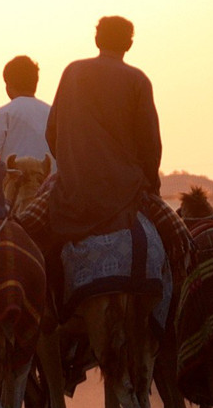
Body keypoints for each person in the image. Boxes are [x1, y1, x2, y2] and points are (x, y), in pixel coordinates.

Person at [44, 16, 162, 241]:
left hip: (71, 194)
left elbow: (52, 133)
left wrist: (72, 168)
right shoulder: (138, 80)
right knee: (181, 241)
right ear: (129, 44)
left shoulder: (73, 72)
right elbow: (150, 146)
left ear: (97, 40)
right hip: (126, 192)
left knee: (24, 228)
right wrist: (152, 187)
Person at [0, 55, 55, 166]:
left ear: (8, 85)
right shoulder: (53, 113)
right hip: (51, 181)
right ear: (35, 83)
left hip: (16, 181)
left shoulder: (4, 114)